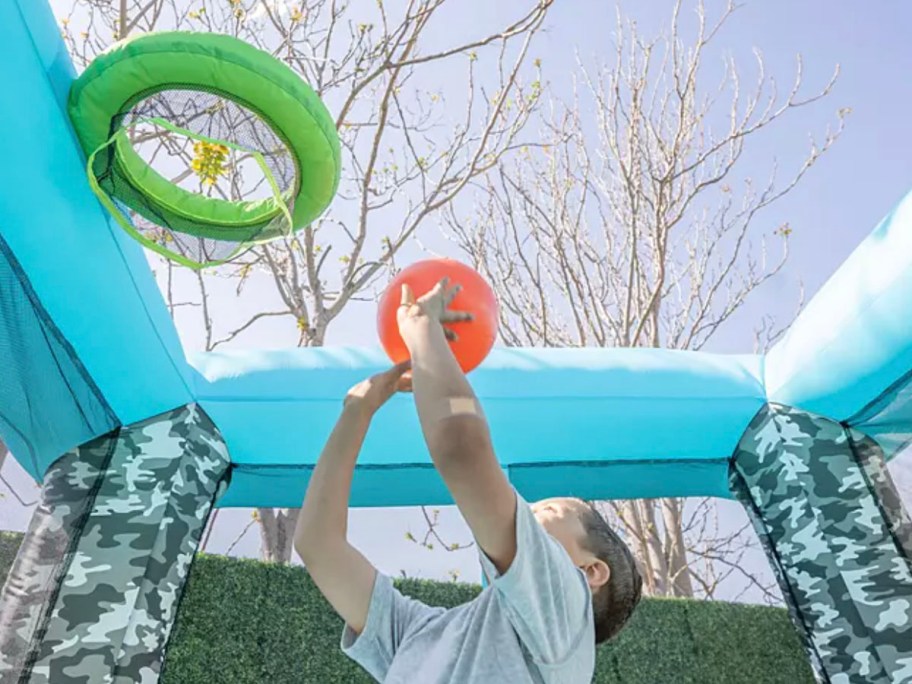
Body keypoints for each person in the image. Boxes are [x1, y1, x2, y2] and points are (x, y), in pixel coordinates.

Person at [295, 279, 642, 683]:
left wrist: (423, 330)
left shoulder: (566, 615)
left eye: (549, 511)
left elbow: (463, 449)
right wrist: (356, 411)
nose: (530, 509)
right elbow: (317, 545)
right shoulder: (418, 634)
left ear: (591, 572)